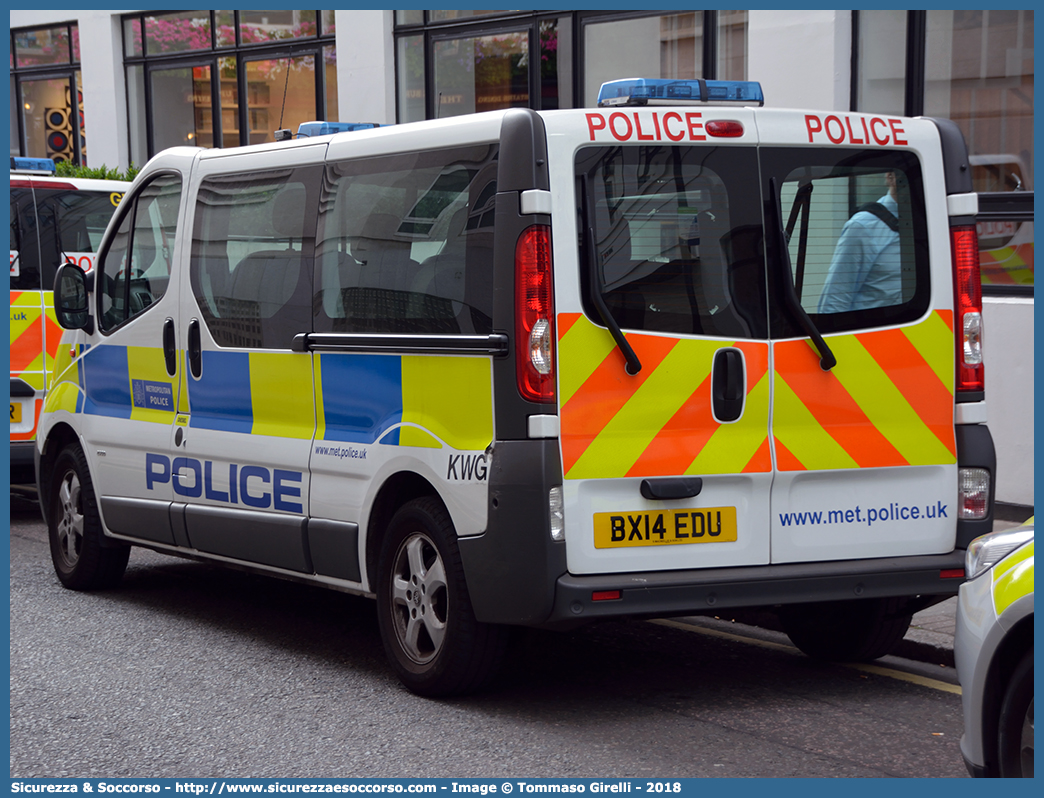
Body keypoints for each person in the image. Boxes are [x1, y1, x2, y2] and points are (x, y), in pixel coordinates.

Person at [817, 171, 901, 313]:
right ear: (890, 177)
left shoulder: (931, 224)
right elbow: (835, 299)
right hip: (873, 332)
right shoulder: (864, 226)